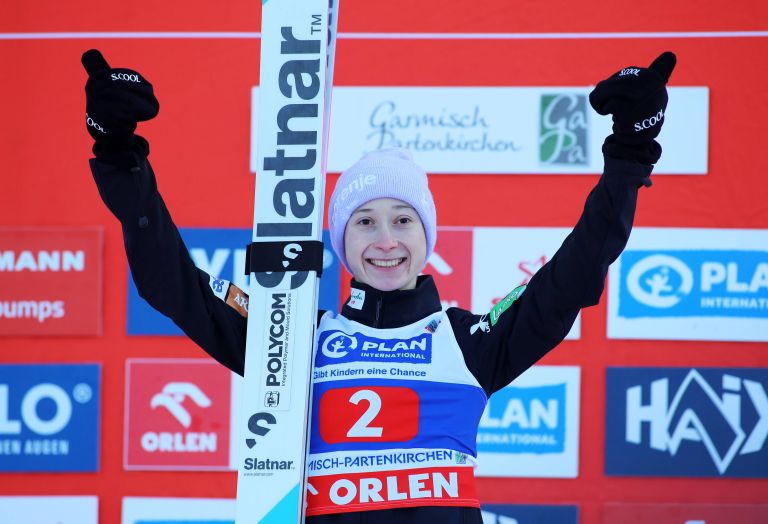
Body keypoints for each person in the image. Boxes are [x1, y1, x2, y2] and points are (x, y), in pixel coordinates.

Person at [82, 49, 676, 523]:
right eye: (364, 222)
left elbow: (572, 276)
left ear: (426, 235)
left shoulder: (469, 340)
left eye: (403, 220)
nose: (386, 240)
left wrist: (629, 155)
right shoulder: (294, 339)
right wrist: (117, 151)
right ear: (342, 241)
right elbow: (171, 284)